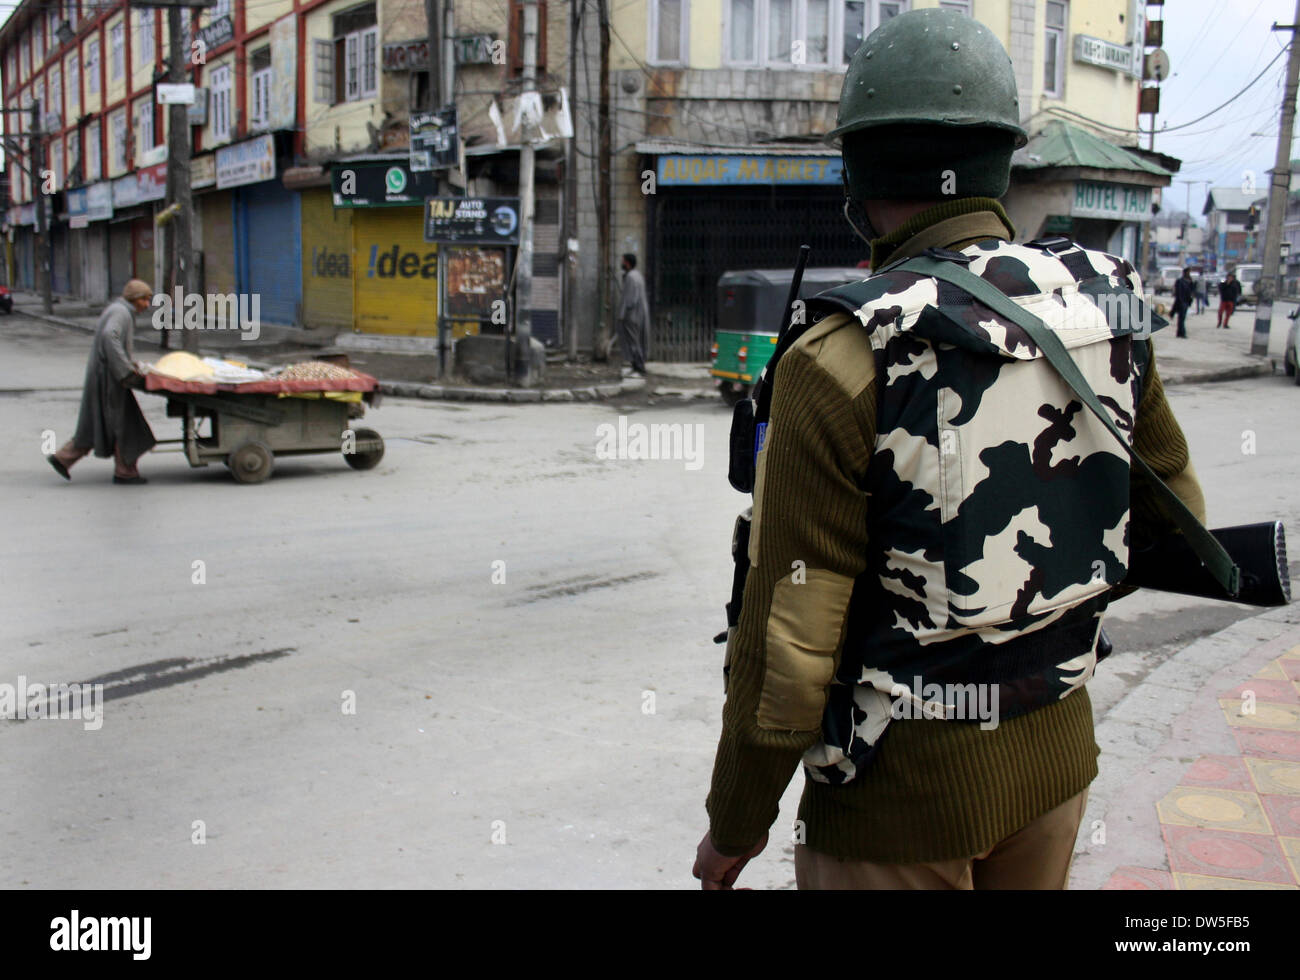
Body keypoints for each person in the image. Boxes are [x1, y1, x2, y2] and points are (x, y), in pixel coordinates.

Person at [693, 7, 1205, 891]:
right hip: (1056, 765)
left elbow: (792, 647)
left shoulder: (842, 354)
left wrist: (736, 823)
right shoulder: (1107, 304)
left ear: (856, 176)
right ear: (1003, 159)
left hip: (898, 805)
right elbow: (1177, 516)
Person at [47, 279, 157, 484]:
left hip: (105, 375)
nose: (147, 304)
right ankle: (125, 472)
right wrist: (125, 370)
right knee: (124, 423)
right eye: (145, 299)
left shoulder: (119, 310)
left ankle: (64, 458)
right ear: (135, 299)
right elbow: (109, 337)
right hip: (110, 378)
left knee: (99, 421)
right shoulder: (121, 313)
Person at [615, 253, 650, 376]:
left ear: (627, 263)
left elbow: (629, 299)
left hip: (632, 315)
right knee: (637, 340)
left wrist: (622, 315)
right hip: (639, 313)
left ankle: (639, 366)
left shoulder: (630, 277)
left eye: (623, 261)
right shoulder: (637, 275)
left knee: (633, 340)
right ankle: (637, 366)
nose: (621, 263)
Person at [1172, 267, 1195, 337]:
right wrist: (1181, 301)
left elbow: (1191, 291)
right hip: (1181, 302)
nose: (1189, 274)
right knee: (1181, 318)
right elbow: (1178, 292)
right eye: (1188, 272)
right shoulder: (1180, 281)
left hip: (1186, 301)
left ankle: (1179, 333)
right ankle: (1182, 333)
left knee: (1182, 318)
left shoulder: (1189, 281)